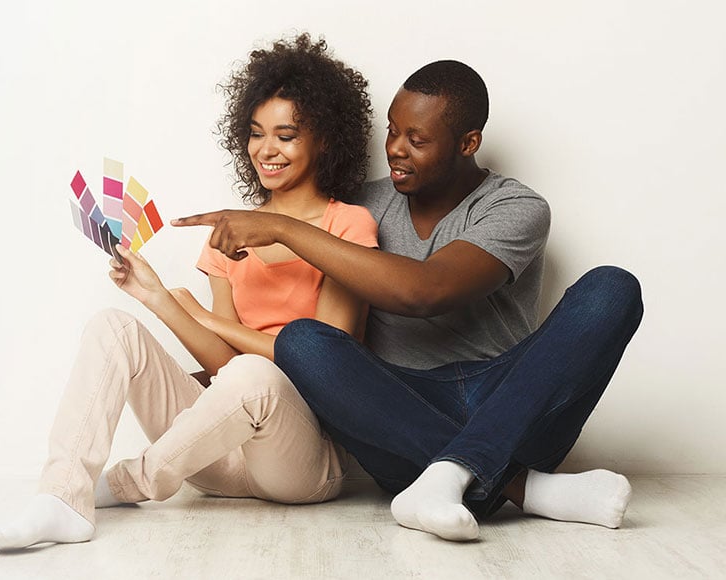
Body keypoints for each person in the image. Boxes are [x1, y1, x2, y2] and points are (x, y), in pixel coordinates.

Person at [174, 60, 644, 542]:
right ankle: (525, 490)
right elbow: (300, 331)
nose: (396, 149)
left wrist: (280, 228)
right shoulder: (362, 205)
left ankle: (455, 478)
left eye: (416, 140)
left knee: (613, 287)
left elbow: (425, 292)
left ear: (468, 143)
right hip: (398, 417)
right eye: (392, 132)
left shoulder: (516, 208)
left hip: (509, 405)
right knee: (305, 341)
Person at [0, 33, 377, 551]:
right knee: (114, 326)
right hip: (215, 457)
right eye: (256, 133)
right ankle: (61, 496)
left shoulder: (347, 225)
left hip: (306, 462)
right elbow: (220, 366)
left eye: (286, 135)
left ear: (324, 139)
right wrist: (156, 297)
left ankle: (127, 483)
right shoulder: (230, 233)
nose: (266, 150)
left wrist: (217, 323)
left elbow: (327, 357)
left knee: (251, 371)